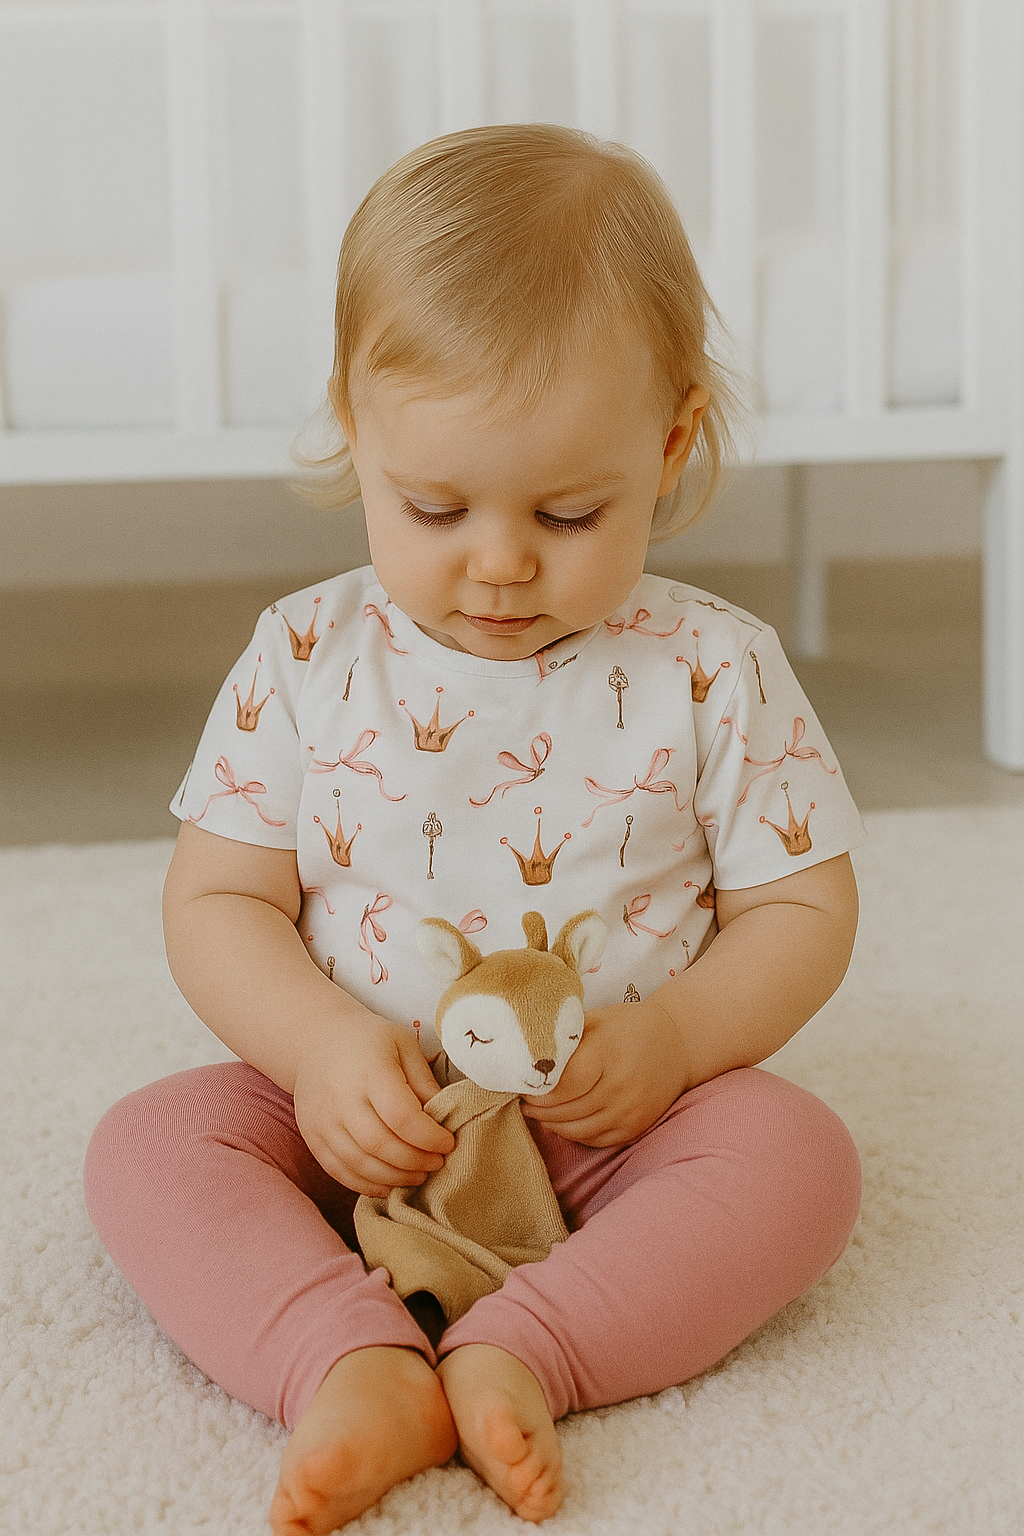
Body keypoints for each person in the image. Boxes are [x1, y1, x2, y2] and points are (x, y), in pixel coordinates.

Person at [84, 124, 864, 1536]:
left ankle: (534, 1345)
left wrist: (678, 1041)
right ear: (355, 426)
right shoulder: (306, 654)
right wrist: (318, 1052)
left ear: (670, 442)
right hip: (356, 1125)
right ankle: (348, 1357)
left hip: (611, 1124)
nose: (499, 563)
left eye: (570, 512)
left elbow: (803, 909)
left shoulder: (712, 669)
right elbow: (219, 901)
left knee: (799, 1160)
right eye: (434, 506)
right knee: (151, 1147)